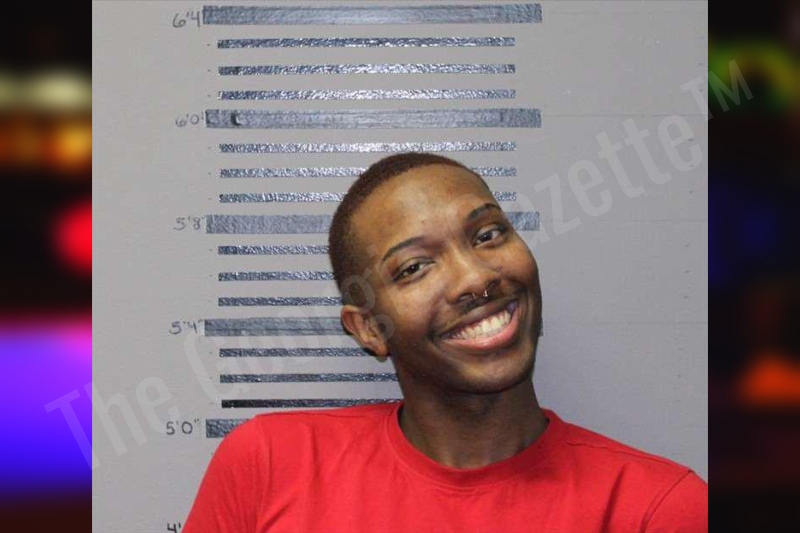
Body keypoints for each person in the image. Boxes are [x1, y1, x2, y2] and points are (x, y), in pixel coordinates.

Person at [182, 152, 708, 532]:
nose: (474, 278)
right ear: (369, 329)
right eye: (414, 267)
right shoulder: (269, 465)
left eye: (487, 235)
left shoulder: (658, 508)